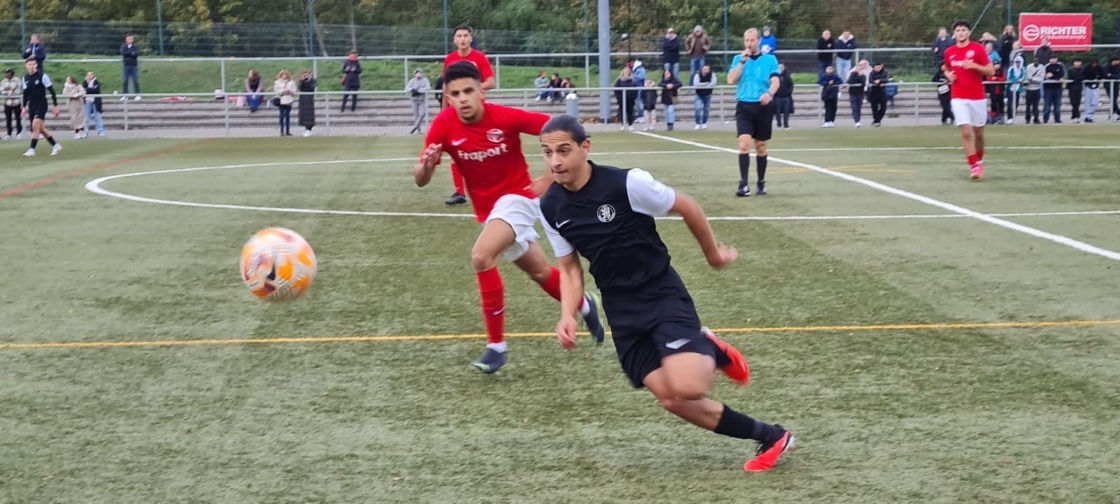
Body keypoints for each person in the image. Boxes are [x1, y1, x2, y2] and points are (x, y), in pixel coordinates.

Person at [537, 115, 794, 472]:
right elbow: (569, 269)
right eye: (547, 152)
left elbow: (686, 206)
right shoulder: (550, 206)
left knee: (689, 386)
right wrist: (567, 314)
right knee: (672, 399)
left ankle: (708, 347)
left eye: (563, 151)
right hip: (620, 309)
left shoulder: (627, 184)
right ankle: (772, 436)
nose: (555, 161)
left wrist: (713, 256)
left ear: (585, 147)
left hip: (660, 293)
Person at [412, 61, 605, 373]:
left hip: (518, 199)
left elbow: (560, 128)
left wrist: (550, 178)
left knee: (481, 256)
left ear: (482, 92)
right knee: (539, 271)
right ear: (447, 97)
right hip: (490, 211)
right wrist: (426, 166)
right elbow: (420, 180)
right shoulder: (443, 125)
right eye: (455, 94)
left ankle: (496, 347)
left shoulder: (504, 117)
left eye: (468, 91)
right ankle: (584, 303)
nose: (462, 99)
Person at [442, 24, 497, 207]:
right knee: (456, 149)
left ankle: (491, 187)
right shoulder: (450, 59)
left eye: (466, 35)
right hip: (456, 112)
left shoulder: (479, 57)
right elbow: (446, 87)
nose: (463, 39)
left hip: (478, 111)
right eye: (459, 36)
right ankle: (459, 192)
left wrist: (472, 88)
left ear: (471, 38)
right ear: (454, 40)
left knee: (484, 150)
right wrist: (444, 111)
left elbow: (491, 82)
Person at [727, 28, 779, 197]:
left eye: (752, 40)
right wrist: (742, 62)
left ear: (759, 41)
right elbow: (730, 80)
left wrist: (769, 93)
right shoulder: (738, 59)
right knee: (744, 145)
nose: (749, 43)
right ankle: (743, 184)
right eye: (746, 40)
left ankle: (761, 182)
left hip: (763, 107)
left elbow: (775, 80)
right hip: (744, 106)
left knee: (761, 147)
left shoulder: (770, 59)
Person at [942, 19, 995, 181]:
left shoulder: (977, 48)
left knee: (979, 133)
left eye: (963, 30)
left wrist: (975, 66)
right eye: (958, 30)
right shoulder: (949, 51)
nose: (961, 33)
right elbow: (946, 67)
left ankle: (979, 159)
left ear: (969, 32)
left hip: (977, 96)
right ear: (954, 34)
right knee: (966, 132)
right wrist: (948, 75)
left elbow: (991, 71)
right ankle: (973, 166)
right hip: (958, 96)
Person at [19, 58, 61, 157]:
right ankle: (55, 145)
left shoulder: (43, 76)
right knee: (41, 129)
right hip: (32, 105)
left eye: (34, 64)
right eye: (30, 64)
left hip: (41, 104)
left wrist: (55, 105)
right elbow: (25, 94)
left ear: (36, 65)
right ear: (26, 66)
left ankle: (32, 149)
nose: (32, 66)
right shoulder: (25, 78)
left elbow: (52, 91)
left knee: (35, 125)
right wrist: (24, 107)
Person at [406, 68, 431, 135]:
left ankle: (415, 126)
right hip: (414, 100)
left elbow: (428, 88)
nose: (418, 74)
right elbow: (407, 89)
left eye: (420, 73)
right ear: (415, 74)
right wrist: (412, 89)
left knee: (422, 113)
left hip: (422, 99)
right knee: (416, 115)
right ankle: (418, 130)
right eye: (417, 73)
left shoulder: (425, 80)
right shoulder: (412, 81)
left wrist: (420, 90)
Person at [613, 66, 638, 130]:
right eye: (625, 72)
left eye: (627, 72)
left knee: (630, 112)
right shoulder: (619, 80)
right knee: (622, 112)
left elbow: (635, 90)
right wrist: (619, 97)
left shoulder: (632, 80)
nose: (626, 73)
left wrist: (633, 96)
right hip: (621, 99)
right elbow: (616, 90)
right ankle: (623, 125)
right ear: (623, 73)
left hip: (630, 99)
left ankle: (630, 125)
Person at [692, 65, 716, 129]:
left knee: (706, 109)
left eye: (707, 69)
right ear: (702, 69)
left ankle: (704, 122)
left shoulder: (712, 75)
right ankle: (697, 123)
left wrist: (702, 85)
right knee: (698, 108)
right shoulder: (697, 75)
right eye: (705, 69)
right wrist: (706, 84)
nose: (706, 70)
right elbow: (696, 84)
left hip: (708, 95)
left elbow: (713, 84)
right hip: (699, 95)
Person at [273, 69, 296, 137]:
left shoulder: (291, 82)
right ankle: (282, 130)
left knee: (287, 115)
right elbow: (276, 91)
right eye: (283, 74)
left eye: (286, 74)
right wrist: (283, 91)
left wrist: (290, 91)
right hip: (281, 99)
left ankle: (288, 130)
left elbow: (294, 90)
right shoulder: (277, 82)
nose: (284, 76)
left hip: (288, 99)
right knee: (282, 115)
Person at [81, 71, 104, 137]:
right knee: (86, 117)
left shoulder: (96, 82)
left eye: (91, 75)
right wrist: (90, 89)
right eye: (88, 75)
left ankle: (100, 131)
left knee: (98, 117)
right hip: (87, 101)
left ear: (93, 75)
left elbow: (96, 90)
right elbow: (83, 90)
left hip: (96, 102)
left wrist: (88, 90)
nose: (89, 76)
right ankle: (85, 130)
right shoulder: (85, 82)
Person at [2, 68, 23, 140]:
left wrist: (7, 90)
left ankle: (19, 133)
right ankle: (9, 134)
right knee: (8, 119)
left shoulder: (17, 80)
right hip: (7, 103)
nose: (6, 74)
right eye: (6, 73)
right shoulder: (3, 81)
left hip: (16, 103)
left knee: (18, 118)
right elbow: (1, 91)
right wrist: (10, 91)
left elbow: (17, 91)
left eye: (8, 73)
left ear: (12, 74)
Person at [773, 63, 794, 130]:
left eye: (781, 67)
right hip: (777, 97)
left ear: (784, 68)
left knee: (786, 111)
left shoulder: (787, 76)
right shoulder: (775, 76)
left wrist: (788, 93)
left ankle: (786, 125)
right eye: (779, 67)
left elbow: (791, 85)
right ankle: (779, 125)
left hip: (786, 97)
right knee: (777, 112)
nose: (780, 68)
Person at [120, 35, 141, 100]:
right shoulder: (123, 46)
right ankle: (125, 95)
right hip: (126, 66)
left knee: (136, 80)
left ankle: (137, 95)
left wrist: (129, 53)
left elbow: (136, 54)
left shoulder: (135, 46)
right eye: (127, 39)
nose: (128, 40)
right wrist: (131, 53)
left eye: (130, 39)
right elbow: (123, 53)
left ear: (132, 40)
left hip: (134, 66)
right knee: (125, 80)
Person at [297, 69, 316, 137]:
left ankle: (309, 129)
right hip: (303, 99)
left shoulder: (313, 80)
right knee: (303, 114)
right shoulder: (302, 80)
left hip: (310, 99)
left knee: (309, 114)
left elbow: (311, 88)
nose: (307, 74)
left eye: (308, 73)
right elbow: (300, 87)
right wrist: (302, 80)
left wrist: (309, 80)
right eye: (305, 73)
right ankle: (306, 129)